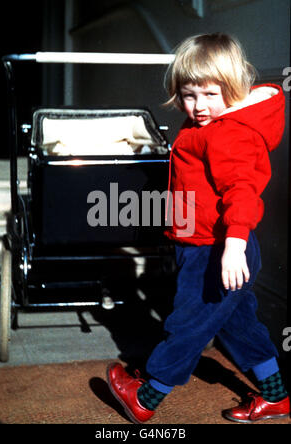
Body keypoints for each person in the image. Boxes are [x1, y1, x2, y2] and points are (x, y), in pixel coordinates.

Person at [106, 33, 290, 423]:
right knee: (239, 326)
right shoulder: (208, 124)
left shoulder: (230, 133)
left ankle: (148, 396)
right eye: (189, 95)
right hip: (209, 242)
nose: (198, 106)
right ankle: (276, 397)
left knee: (188, 324)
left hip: (219, 248)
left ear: (235, 88)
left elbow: (241, 189)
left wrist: (235, 244)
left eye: (210, 94)